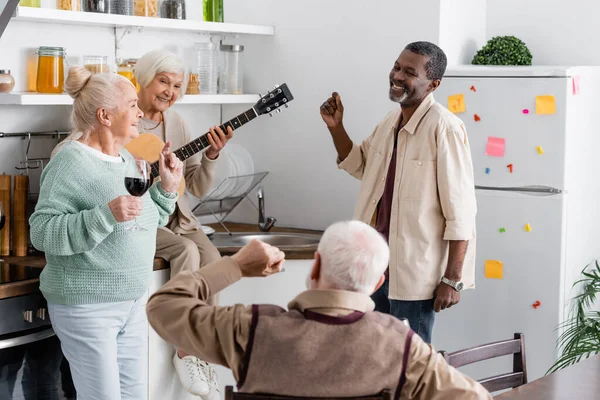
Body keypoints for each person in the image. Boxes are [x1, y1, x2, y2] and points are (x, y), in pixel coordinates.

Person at [146, 220, 491, 399]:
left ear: (314, 268)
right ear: (376, 284)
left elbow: (163, 306)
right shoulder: (402, 347)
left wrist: (235, 265)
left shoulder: (250, 328)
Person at [29, 66, 183, 400]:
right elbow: (41, 232)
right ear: (105, 115)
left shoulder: (127, 159)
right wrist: (104, 215)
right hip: (87, 306)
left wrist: (166, 190)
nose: (140, 112)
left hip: (131, 301)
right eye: (131, 104)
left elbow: (143, 220)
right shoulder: (69, 161)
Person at [319, 41, 477, 344]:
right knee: (370, 357)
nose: (397, 76)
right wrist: (336, 127)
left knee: (409, 369)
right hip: (374, 270)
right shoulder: (390, 122)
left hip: (414, 277)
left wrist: (453, 279)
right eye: (396, 67)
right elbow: (360, 165)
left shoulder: (445, 128)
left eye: (409, 72)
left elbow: (461, 212)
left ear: (432, 84)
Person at [133, 49, 233, 400]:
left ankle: (199, 350)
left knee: (216, 262)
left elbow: (198, 187)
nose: (170, 92)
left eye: (177, 85)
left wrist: (211, 155)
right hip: (146, 216)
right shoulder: (125, 119)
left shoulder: (177, 123)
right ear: (143, 78)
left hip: (180, 217)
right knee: (186, 251)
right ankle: (185, 348)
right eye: (163, 81)